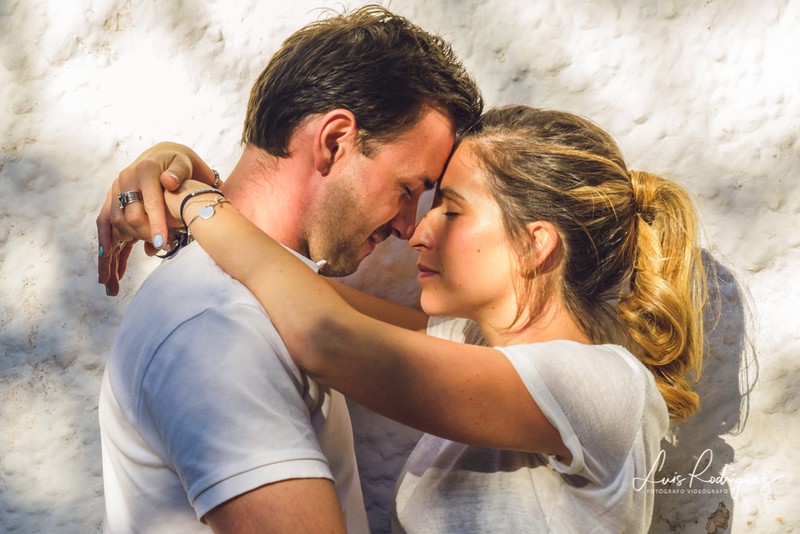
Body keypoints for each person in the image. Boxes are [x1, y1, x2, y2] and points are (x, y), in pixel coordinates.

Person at [131, 105, 707, 532]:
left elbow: (326, 337)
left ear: (536, 245)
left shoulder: (601, 384)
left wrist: (194, 203)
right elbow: (296, 287)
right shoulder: (471, 345)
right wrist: (169, 167)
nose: (418, 232)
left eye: (450, 211)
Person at [97, 6, 482, 533]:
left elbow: (444, 344)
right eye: (407, 189)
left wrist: (192, 192)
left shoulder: (260, 296)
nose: (407, 225)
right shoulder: (217, 328)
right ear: (334, 141)